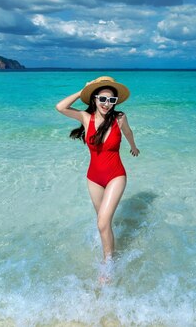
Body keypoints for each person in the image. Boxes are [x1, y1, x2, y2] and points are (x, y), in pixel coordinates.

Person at [55, 76, 140, 265]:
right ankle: (108, 246)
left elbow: (128, 132)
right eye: (102, 99)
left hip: (115, 176)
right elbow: (60, 107)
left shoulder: (119, 118)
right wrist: (82, 91)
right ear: (94, 99)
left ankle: (108, 265)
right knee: (102, 222)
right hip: (93, 178)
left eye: (111, 100)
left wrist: (133, 146)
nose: (107, 104)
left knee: (102, 223)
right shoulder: (86, 118)